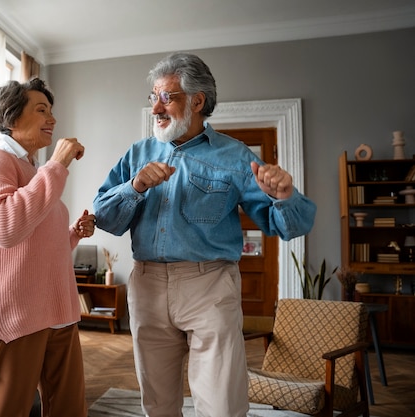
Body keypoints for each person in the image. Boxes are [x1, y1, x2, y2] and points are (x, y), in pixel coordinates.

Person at [92, 52, 316, 417]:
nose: (156, 108)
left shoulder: (235, 156)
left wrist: (285, 196)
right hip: (147, 285)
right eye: (154, 97)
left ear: (197, 101)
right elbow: (105, 217)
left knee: (222, 405)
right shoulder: (138, 154)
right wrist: (134, 186)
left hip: (209, 286)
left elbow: (289, 227)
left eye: (167, 97)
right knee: (158, 404)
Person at [0, 78, 95, 417]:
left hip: (58, 313)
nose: (52, 119)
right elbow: (6, 227)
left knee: (69, 410)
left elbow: (36, 247)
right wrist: (57, 165)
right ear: (11, 118)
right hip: (15, 317)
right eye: (41, 110)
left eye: (52, 111)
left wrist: (73, 234)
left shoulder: (35, 171)